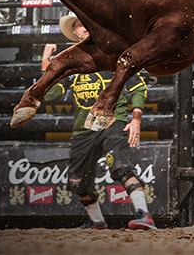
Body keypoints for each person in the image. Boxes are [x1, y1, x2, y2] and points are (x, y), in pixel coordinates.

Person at [42, 13, 156, 231]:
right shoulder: (70, 63)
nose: (84, 27)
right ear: (74, 31)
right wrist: (46, 62)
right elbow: (50, 94)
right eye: (79, 24)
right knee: (78, 183)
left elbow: (138, 86)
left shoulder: (113, 56)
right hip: (83, 129)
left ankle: (145, 216)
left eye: (87, 23)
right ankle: (97, 222)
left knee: (121, 168)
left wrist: (136, 119)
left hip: (112, 122)